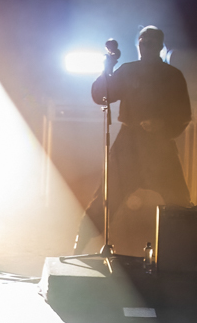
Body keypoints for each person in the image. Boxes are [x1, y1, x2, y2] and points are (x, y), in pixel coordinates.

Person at [75, 25, 192, 251]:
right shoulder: (128, 70)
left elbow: (184, 114)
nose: (145, 47)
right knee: (105, 199)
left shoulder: (172, 75)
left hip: (160, 147)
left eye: (150, 43)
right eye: (142, 43)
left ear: (160, 46)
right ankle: (78, 248)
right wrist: (107, 70)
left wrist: (163, 125)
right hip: (128, 144)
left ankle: (185, 255)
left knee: (179, 202)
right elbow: (100, 96)